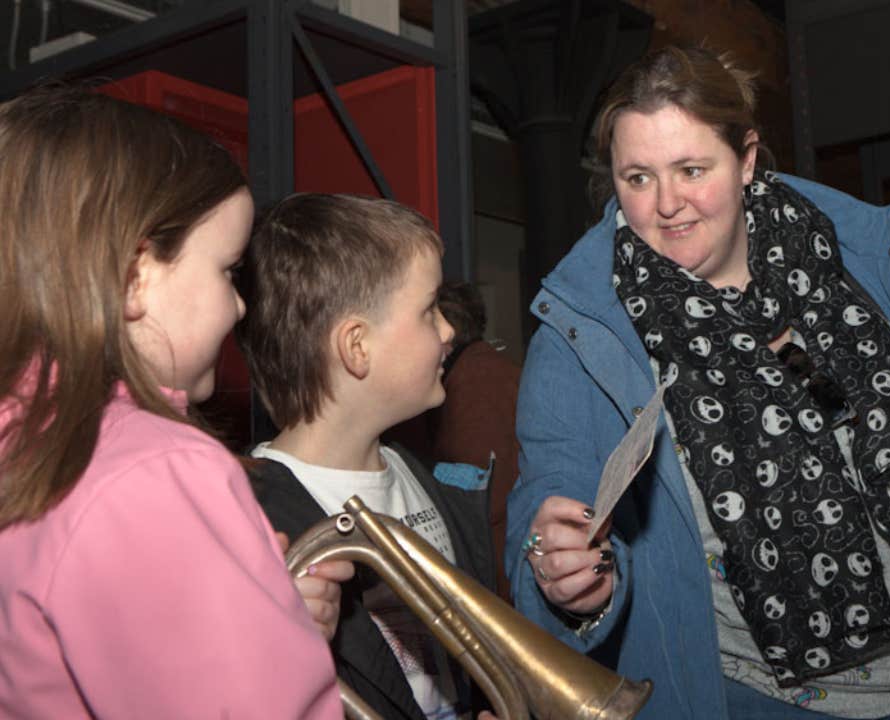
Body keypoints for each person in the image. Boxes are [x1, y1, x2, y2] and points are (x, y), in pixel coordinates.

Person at [505, 45, 890, 719]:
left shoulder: (854, 259)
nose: (666, 205)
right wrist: (556, 571)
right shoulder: (584, 332)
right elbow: (543, 505)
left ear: (748, 159)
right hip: (757, 701)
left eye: (691, 169)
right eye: (637, 177)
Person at [0, 86, 345, 717]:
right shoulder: (155, 469)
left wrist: (264, 620)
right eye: (228, 270)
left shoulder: (26, 441)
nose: (240, 306)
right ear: (135, 278)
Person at [236, 193, 498, 720]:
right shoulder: (252, 519)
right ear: (357, 347)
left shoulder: (421, 477)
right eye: (428, 311)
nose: (449, 330)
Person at [386, 281, 522, 601]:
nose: (442, 330)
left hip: (496, 576)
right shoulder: (485, 369)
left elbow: (478, 501)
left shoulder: (476, 382)